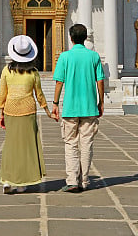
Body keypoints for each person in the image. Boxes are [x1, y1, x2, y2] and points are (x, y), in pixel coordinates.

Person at [0, 34, 57, 194]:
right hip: (28, 111)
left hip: (10, 110)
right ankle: (22, 182)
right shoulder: (33, 72)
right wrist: (48, 112)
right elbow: (39, 95)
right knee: (26, 147)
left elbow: (2, 94)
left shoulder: (6, 71)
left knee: (10, 145)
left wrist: (1, 114)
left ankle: (7, 181)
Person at [51, 23, 105, 192]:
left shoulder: (65, 57)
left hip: (70, 108)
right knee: (87, 144)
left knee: (71, 144)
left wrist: (55, 103)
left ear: (71, 38)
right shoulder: (94, 56)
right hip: (89, 106)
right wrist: (101, 101)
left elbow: (59, 81)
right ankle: (84, 180)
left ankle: (72, 180)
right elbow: (100, 81)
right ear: (85, 37)